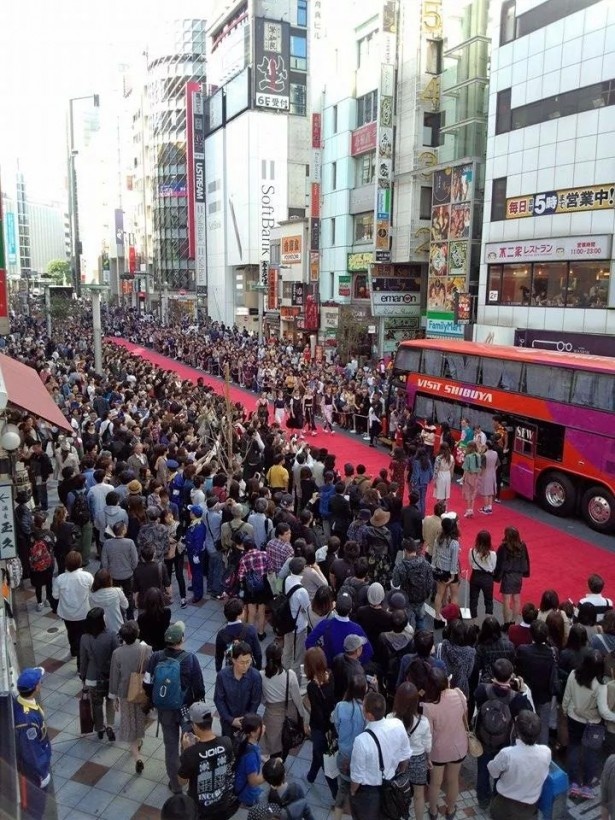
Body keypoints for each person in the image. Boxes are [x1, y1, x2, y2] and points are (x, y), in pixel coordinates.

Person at [143, 621, 205, 794]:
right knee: (187, 743)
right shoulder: (190, 658)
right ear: (182, 639)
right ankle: (187, 777)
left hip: (164, 709)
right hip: (185, 708)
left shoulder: (155, 657)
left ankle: (176, 785)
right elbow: (199, 686)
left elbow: (147, 683)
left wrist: (155, 699)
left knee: (170, 747)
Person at [474, 658, 533, 809]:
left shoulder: (482, 690)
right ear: (511, 675)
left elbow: (477, 708)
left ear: (493, 674)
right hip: (505, 741)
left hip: (483, 738)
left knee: (483, 769)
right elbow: (529, 714)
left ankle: (482, 799)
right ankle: (496, 798)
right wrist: (523, 691)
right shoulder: (516, 698)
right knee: (501, 772)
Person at [349, 691, 411, 820]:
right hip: (391, 784)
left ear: (369, 715)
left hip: (369, 793)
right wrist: (400, 773)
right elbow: (405, 755)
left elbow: (357, 777)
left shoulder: (361, 741)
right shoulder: (397, 724)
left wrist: (353, 792)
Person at [177, 701, 238, 819]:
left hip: (201, 808)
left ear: (194, 725)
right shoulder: (226, 742)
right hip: (223, 802)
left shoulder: (190, 753)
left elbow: (182, 781)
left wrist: (186, 751)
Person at [422, 667, 469, 820]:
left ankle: (434, 812)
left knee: (435, 783)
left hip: (438, 750)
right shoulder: (458, 693)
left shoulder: (428, 706)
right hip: (458, 746)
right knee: (453, 780)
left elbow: (428, 733)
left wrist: (426, 755)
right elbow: (465, 716)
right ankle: (450, 809)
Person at [487, 710, 551, 819]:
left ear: (517, 732)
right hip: (529, 809)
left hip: (504, 806)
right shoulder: (546, 752)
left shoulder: (507, 754)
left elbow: (493, 771)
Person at [108, 620, 152, 773]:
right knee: (140, 720)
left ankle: (137, 756)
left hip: (125, 693)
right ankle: (138, 744)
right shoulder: (146, 650)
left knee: (128, 722)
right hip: (142, 692)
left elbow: (114, 676)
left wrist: (113, 698)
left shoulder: (117, 653)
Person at [562, 649, 605, 799]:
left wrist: (565, 710)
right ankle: (587, 786)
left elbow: (567, 696)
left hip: (573, 717)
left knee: (573, 747)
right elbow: (603, 710)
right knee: (590, 753)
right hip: (593, 724)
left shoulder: (573, 674)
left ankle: (574, 783)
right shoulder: (600, 685)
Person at [14, 666, 52, 820]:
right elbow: (31, 752)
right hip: (34, 775)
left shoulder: (22, 703)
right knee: (35, 810)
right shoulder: (27, 720)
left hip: (33, 770)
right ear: (36, 687)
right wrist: (42, 774)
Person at [389, 681, 432, 820]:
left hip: (398, 761)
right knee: (419, 796)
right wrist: (428, 759)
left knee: (398, 792)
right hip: (418, 760)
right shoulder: (423, 721)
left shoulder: (390, 718)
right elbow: (427, 746)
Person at [260, 642, 308, 758]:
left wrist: (268, 703)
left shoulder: (261, 675)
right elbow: (297, 698)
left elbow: (261, 698)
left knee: (273, 746)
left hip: (271, 714)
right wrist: (303, 717)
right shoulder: (289, 675)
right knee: (286, 742)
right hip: (289, 711)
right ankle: (281, 764)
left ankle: (273, 767)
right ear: (281, 657)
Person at [79, 607, 120, 740]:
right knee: (110, 700)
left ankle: (99, 727)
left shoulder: (84, 638)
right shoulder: (111, 635)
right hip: (109, 676)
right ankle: (110, 725)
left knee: (96, 703)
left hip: (92, 677)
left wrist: (83, 677)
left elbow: (83, 660)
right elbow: (117, 656)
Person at [516, 619, 559, 744]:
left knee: (524, 722)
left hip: (527, 692)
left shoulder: (523, 650)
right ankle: (542, 752)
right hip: (545, 694)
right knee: (543, 726)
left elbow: (518, 666)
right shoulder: (553, 652)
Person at [306, 590, 373, 667]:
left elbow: (309, 641)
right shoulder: (357, 629)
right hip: (348, 671)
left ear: (335, 607)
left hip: (330, 668)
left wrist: (321, 658)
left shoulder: (326, 624)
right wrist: (354, 662)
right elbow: (369, 652)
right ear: (351, 609)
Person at [332, 675, 367, 820]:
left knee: (342, 789)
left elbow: (336, 726)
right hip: (359, 759)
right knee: (358, 794)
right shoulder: (365, 710)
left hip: (343, 756)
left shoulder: (340, 706)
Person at [304, 646, 338, 797]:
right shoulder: (330, 675)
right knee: (317, 753)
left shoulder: (312, 686)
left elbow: (317, 713)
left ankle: (336, 794)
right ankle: (311, 775)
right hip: (331, 724)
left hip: (319, 728)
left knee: (325, 761)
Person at [52, 550, 94, 671]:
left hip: (67, 613)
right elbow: (92, 592)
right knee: (82, 636)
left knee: (71, 632)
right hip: (83, 613)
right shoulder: (87, 577)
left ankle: (73, 650)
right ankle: (81, 663)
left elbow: (55, 596)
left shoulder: (60, 579)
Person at [214, 640, 262, 738]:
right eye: (242, 662)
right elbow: (219, 700)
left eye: (248, 662)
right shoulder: (222, 676)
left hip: (247, 723)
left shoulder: (255, 676)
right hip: (228, 722)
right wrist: (231, 720)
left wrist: (246, 720)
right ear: (234, 660)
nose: (245, 666)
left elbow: (255, 701)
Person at [391, 537, 433, 632]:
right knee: (421, 620)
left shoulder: (400, 567)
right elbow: (430, 582)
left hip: (407, 599)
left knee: (406, 623)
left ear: (405, 550)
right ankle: (422, 638)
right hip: (421, 598)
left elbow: (395, 583)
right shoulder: (425, 564)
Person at [100, 520, 138, 620]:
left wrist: (107, 572)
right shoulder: (130, 543)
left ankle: (118, 616)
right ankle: (130, 618)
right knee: (128, 596)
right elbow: (135, 560)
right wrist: (132, 569)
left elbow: (104, 560)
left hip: (113, 575)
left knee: (114, 597)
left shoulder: (107, 543)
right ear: (123, 530)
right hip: (127, 575)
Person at [495, 526, 530, 627]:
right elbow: (526, 560)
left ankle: (506, 623)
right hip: (518, 576)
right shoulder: (522, 545)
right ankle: (513, 622)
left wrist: (497, 576)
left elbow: (499, 563)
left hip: (507, 576)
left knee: (506, 600)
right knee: (516, 598)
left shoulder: (504, 547)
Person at [215, 597, 262, 672]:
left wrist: (219, 670)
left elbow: (219, 656)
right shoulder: (250, 630)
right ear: (239, 614)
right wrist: (258, 669)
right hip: (248, 669)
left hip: (230, 670)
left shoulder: (221, 634)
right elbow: (258, 653)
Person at [281, 557, 310, 676]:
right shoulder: (302, 591)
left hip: (286, 621)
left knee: (287, 650)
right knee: (298, 655)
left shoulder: (287, 579)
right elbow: (307, 608)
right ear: (302, 570)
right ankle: (294, 678)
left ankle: (283, 672)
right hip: (299, 625)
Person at [238, 538, 270, 641]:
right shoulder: (264, 554)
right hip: (262, 586)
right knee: (261, 611)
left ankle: (250, 634)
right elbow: (270, 567)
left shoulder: (244, 559)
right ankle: (261, 633)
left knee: (251, 612)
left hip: (250, 588)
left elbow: (240, 576)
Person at [432, 515, 461, 629]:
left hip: (440, 570)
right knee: (454, 595)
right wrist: (453, 576)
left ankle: (437, 618)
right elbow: (454, 561)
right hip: (450, 571)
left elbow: (434, 555)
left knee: (439, 594)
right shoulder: (454, 543)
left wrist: (434, 567)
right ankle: (452, 618)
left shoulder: (438, 539)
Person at [28, 512, 56, 612]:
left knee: (38, 584)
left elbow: (29, 548)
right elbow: (53, 545)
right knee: (49, 583)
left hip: (36, 565)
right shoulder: (49, 534)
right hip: (48, 563)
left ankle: (39, 602)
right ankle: (48, 599)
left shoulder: (31, 535)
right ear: (43, 523)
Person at [89, 568, 128, 635]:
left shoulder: (92, 596)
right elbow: (126, 605)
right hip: (117, 628)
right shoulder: (117, 591)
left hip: (101, 631)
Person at [133, 543, 171, 610]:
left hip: (143, 602)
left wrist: (136, 601)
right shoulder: (161, 567)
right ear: (154, 554)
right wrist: (169, 595)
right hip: (158, 601)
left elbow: (136, 589)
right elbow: (167, 585)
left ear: (141, 556)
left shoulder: (137, 569)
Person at [468, 529, 496, 620]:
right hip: (487, 578)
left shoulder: (472, 551)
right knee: (488, 601)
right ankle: (488, 623)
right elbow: (493, 567)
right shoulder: (492, 553)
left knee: (473, 600)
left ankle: (474, 623)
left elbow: (471, 563)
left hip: (475, 576)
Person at [184, 504, 206, 603]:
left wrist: (196, 554)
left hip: (196, 553)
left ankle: (198, 594)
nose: (190, 513)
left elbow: (198, 541)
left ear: (194, 514)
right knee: (193, 571)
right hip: (191, 551)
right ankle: (194, 586)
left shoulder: (199, 526)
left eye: (191, 511)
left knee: (197, 573)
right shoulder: (194, 523)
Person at [411, 447, 433, 518]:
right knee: (422, 499)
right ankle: (422, 515)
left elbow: (416, 474)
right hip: (425, 482)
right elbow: (431, 473)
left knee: (417, 499)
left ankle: (417, 515)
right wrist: (429, 480)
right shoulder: (428, 461)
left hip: (417, 482)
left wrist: (413, 482)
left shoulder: (416, 462)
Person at [478, 440, 499, 515]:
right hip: (493, 474)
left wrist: (479, 475)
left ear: (487, 446)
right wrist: (493, 470)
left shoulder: (484, 455)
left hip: (485, 474)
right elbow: (497, 464)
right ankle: (490, 508)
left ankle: (486, 508)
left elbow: (482, 467)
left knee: (485, 492)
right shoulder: (495, 453)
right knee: (491, 492)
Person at [461, 441, 481, 517]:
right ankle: (471, 509)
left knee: (468, 493)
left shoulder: (468, 457)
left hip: (469, 475)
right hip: (476, 476)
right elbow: (479, 467)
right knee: (473, 493)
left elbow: (465, 469)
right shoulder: (478, 455)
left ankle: (468, 510)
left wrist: (463, 478)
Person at [433, 442, 454, 510]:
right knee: (445, 493)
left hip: (440, 475)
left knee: (439, 493)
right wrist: (450, 477)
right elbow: (452, 469)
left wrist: (434, 480)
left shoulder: (439, 458)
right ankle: (445, 509)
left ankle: (440, 510)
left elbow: (436, 470)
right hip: (447, 475)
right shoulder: (451, 457)